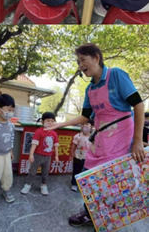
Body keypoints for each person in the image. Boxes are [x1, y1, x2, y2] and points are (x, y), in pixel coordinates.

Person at [45, 43, 146, 227]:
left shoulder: (116, 75)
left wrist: (138, 141)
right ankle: (91, 213)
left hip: (121, 138)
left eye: (83, 60)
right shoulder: (90, 89)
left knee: (111, 179)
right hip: (101, 139)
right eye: (78, 62)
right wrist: (60, 124)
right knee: (88, 177)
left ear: (97, 58)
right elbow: (85, 116)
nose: (80, 65)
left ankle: (107, 216)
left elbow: (138, 105)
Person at [20, 112, 59, 196]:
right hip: (38, 155)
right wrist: (31, 154)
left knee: (45, 172)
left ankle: (44, 185)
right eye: (48, 121)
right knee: (32, 171)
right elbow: (34, 144)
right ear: (42, 122)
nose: (50, 123)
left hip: (48, 157)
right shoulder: (39, 131)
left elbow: (56, 145)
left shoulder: (54, 133)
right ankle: (27, 185)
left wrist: (56, 155)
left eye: (52, 121)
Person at [70, 120, 92, 191]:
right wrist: (72, 153)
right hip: (78, 156)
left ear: (91, 127)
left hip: (88, 158)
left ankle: (83, 184)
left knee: (85, 172)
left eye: (87, 124)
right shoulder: (78, 135)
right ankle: (74, 184)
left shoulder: (93, 137)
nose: (84, 126)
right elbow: (74, 145)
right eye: (83, 124)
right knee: (76, 170)